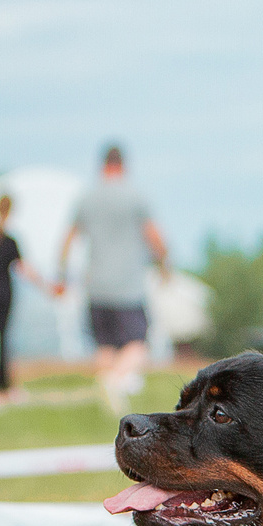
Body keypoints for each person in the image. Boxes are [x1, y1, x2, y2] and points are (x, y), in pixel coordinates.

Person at [55, 144, 169, 416]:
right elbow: (154, 237)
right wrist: (165, 264)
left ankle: (108, 406)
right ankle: (113, 382)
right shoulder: (135, 197)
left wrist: (62, 276)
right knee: (139, 342)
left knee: (104, 346)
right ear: (123, 165)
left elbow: (68, 240)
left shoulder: (87, 198)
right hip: (128, 287)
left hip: (95, 286)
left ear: (101, 165)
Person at [0, 192, 46, 404]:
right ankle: (3, 385)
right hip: (4, 294)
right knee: (4, 339)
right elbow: (24, 268)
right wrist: (46, 286)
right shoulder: (8, 241)